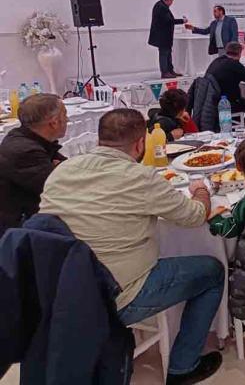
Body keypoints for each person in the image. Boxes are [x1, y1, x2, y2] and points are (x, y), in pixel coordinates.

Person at [39, 109, 224, 384]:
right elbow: (194, 216)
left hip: (59, 291)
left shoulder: (62, 171)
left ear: (100, 140)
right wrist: (201, 191)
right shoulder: (141, 178)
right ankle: (183, 366)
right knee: (212, 271)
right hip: (116, 296)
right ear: (140, 144)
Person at [0, 94, 67, 235]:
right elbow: (61, 187)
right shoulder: (24, 151)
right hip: (18, 228)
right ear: (54, 123)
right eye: (65, 115)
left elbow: (65, 167)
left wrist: (58, 167)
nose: (67, 119)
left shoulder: (28, 137)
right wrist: (57, 168)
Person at [205, 41, 245, 118]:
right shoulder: (236, 65)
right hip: (227, 103)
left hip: (211, 101)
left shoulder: (216, 61)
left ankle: (237, 122)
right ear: (240, 53)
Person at [148, 0, 187, 78]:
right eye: (171, 1)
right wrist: (182, 21)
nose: (172, 3)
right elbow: (169, 21)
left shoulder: (161, 6)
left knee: (168, 53)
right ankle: (165, 72)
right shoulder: (161, 7)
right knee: (164, 53)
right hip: (162, 36)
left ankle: (170, 70)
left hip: (165, 36)